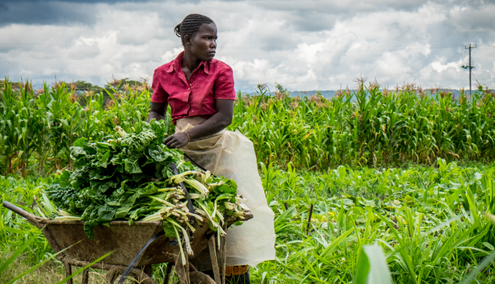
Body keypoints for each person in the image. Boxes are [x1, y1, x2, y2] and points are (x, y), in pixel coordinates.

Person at [148, 14, 276, 283]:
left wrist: (188, 135)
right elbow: (155, 112)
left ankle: (231, 278)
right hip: (181, 155)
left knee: (229, 222)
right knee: (189, 221)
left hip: (219, 151)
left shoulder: (221, 71)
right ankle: (197, 276)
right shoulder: (163, 73)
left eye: (215, 38)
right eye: (207, 38)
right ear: (187, 40)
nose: (213, 43)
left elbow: (223, 118)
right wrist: (157, 130)